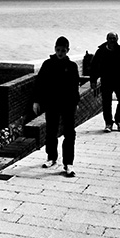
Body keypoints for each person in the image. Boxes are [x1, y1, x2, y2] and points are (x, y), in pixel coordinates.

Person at [32, 36, 81, 178]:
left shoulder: (72, 66)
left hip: (68, 104)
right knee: (51, 131)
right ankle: (52, 157)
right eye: (58, 50)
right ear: (55, 49)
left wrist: (75, 103)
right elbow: (39, 83)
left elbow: (74, 86)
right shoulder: (47, 64)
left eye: (63, 50)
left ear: (67, 50)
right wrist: (36, 101)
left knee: (69, 133)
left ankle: (68, 163)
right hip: (51, 103)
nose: (60, 53)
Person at [89, 32, 120, 132]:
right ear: (107, 39)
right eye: (110, 38)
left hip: (119, 80)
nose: (112, 40)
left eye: (114, 38)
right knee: (106, 103)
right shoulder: (101, 51)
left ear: (117, 39)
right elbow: (94, 66)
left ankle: (118, 120)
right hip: (106, 80)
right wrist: (93, 80)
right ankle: (108, 123)